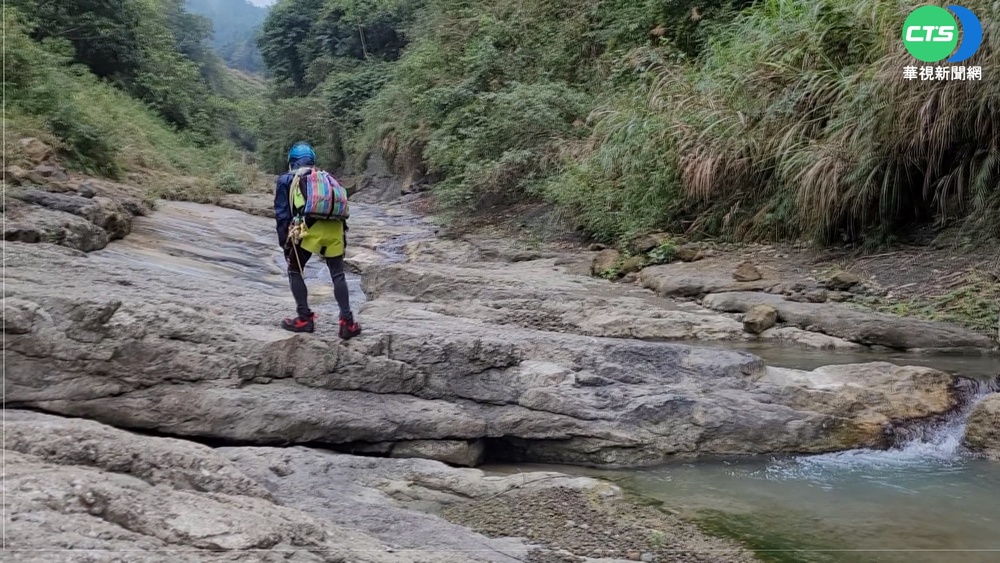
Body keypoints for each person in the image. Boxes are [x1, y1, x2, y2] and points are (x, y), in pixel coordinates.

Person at [274, 142, 362, 339]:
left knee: (295, 270)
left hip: (307, 228)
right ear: (312, 160)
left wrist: (285, 244)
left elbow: (282, 215)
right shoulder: (325, 178)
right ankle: (347, 323)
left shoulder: (287, 179)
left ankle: (304, 319)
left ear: (292, 161)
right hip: (335, 228)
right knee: (338, 274)